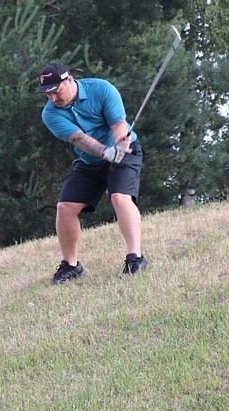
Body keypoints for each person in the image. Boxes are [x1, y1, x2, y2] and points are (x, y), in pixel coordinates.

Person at [38, 63, 148, 285]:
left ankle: (135, 258)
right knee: (65, 207)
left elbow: (118, 123)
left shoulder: (102, 89)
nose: (52, 99)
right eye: (47, 95)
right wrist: (106, 152)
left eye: (56, 92)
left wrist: (119, 143)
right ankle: (71, 266)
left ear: (69, 81)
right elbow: (79, 139)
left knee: (119, 197)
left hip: (126, 152)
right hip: (90, 161)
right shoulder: (50, 114)